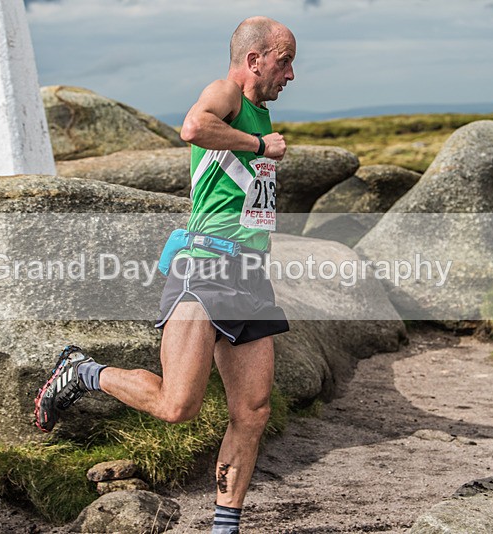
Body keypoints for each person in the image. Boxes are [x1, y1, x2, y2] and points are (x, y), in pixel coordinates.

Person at [34, 16, 296, 534]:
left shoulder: (260, 115)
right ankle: (83, 371)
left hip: (248, 276)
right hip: (204, 268)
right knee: (179, 406)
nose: (291, 74)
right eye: (284, 60)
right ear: (253, 60)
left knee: (253, 411)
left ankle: (226, 526)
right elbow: (194, 127)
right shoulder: (225, 94)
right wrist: (261, 147)